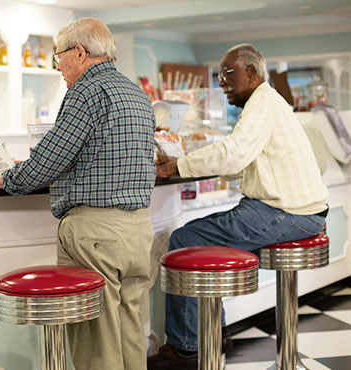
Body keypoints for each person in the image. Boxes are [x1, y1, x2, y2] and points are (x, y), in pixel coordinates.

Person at [0, 17, 156, 370]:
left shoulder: (86, 91)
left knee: (96, 337)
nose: (57, 65)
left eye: (59, 56)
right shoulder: (136, 93)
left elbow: (51, 158)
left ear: (79, 52)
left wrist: (2, 178)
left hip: (96, 233)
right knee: (130, 330)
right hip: (137, 230)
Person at [148, 43, 329, 370]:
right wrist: (187, 162)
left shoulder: (262, 103)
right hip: (302, 211)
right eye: (219, 75)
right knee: (198, 235)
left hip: (286, 212)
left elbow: (234, 153)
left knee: (185, 240)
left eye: (227, 73)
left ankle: (188, 348)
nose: (221, 82)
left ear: (252, 72)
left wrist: (178, 165)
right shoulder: (269, 102)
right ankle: (215, 334)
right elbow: (239, 159)